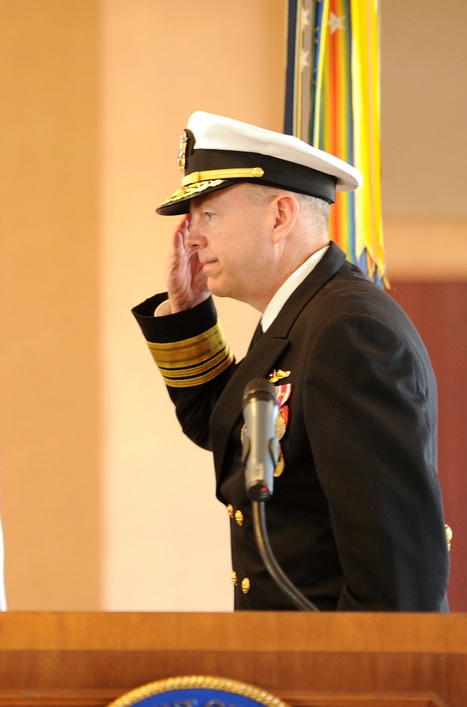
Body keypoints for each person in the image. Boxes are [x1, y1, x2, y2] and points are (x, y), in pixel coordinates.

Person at [132, 111, 449, 611]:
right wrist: (188, 314)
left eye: (208, 215)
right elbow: (224, 427)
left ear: (280, 216)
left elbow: (397, 581)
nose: (190, 237)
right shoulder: (303, 317)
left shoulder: (348, 331)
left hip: (334, 680)